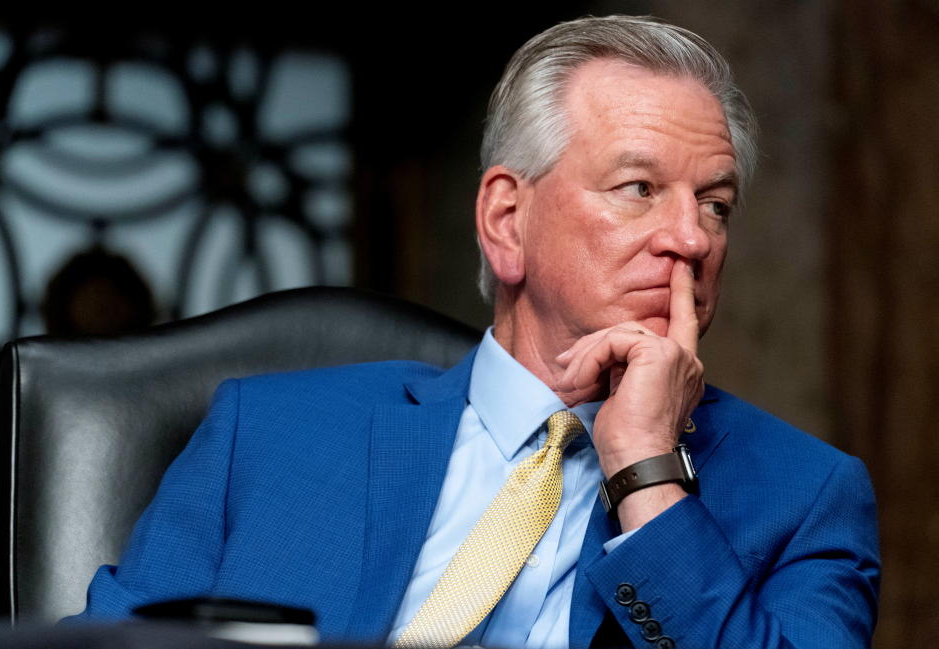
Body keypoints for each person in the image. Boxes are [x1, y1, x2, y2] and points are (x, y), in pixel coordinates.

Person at [75, 15, 880, 649]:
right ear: (506, 219)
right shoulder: (269, 433)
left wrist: (646, 474)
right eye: (640, 187)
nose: (693, 239)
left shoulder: (805, 496)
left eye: (715, 204)